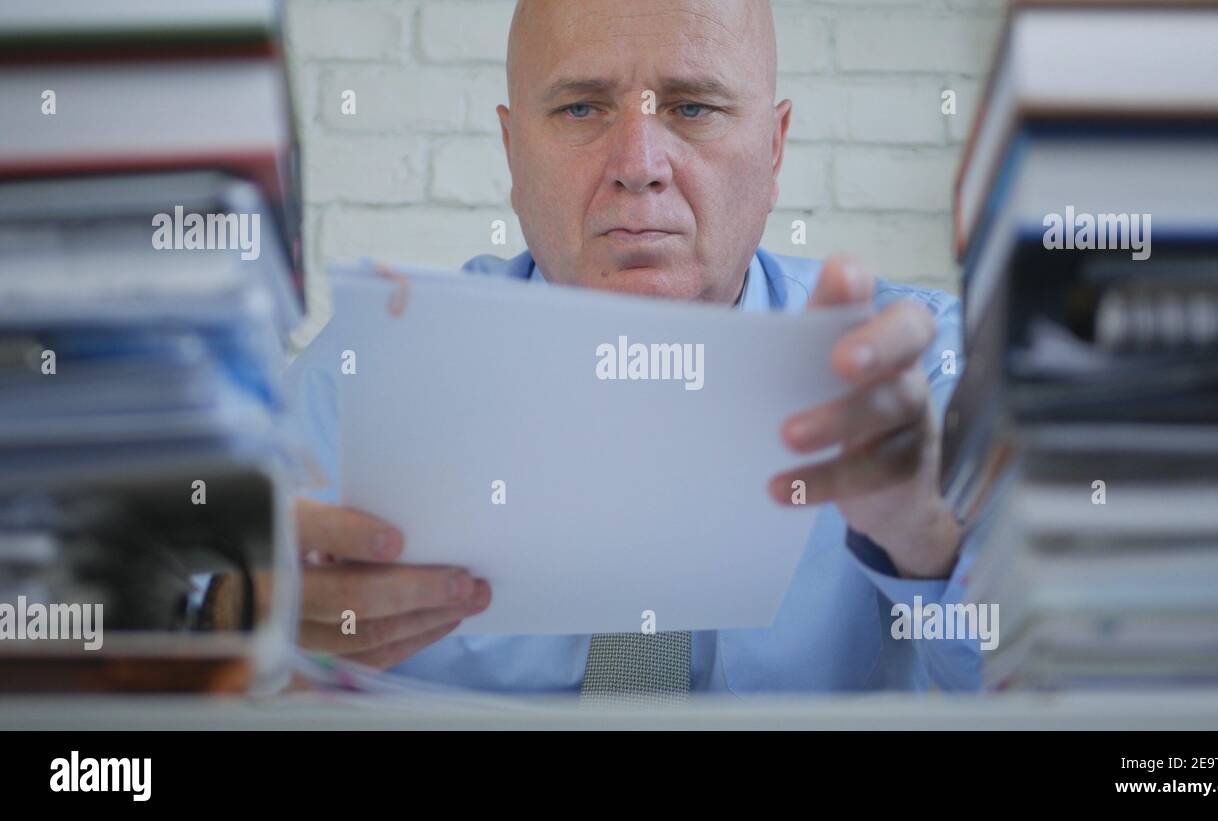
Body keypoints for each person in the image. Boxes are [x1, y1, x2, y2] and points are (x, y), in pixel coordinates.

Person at [291, 0, 982, 694]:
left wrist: (927, 542)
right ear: (512, 153)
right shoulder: (367, 377)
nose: (639, 166)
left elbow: (1058, 685)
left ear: (774, 151)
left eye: (692, 108)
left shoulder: (920, 376)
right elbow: (200, 616)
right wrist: (245, 617)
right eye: (581, 109)